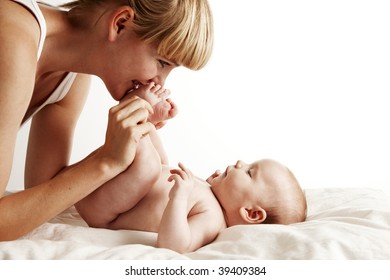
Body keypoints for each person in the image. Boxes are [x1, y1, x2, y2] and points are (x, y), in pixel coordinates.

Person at [0, 0, 213, 241]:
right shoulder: (13, 39)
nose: (160, 83)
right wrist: (107, 160)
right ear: (120, 23)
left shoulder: (71, 76)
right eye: (162, 63)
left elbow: (43, 192)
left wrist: (123, 147)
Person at [75, 84, 307, 253]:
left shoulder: (213, 219)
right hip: (109, 190)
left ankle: (133, 110)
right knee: (159, 161)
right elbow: (163, 171)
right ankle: (147, 121)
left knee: (150, 167)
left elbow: (175, 245)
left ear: (252, 214)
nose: (239, 163)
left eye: (249, 172)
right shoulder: (208, 192)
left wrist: (179, 197)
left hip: (105, 212)